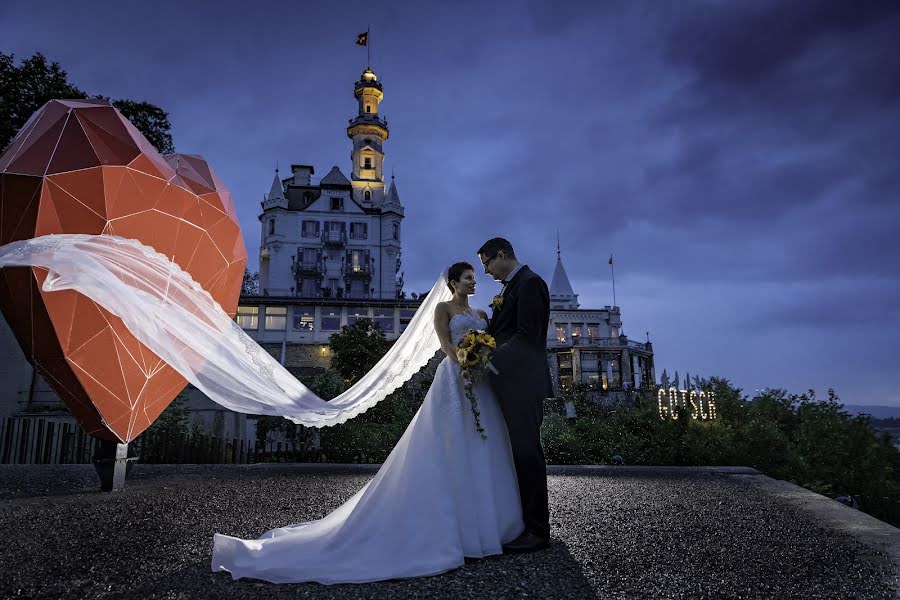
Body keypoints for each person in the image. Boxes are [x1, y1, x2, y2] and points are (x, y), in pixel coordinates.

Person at [211, 261, 525, 584]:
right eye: (468, 278)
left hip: (480, 383)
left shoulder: (484, 316)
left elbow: (493, 344)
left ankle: (490, 526)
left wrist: (481, 361)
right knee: (451, 445)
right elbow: (445, 344)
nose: (474, 283)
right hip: (454, 377)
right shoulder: (443, 310)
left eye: (475, 278)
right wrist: (462, 360)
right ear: (454, 283)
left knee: (483, 444)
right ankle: (456, 530)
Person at [477, 237, 552, 553]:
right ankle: (524, 523)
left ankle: (538, 530)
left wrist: (488, 359)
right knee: (515, 453)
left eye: (487, 264)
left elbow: (527, 337)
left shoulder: (531, 283)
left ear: (501, 254)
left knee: (527, 452)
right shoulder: (510, 287)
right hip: (510, 382)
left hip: (523, 382)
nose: (487, 272)